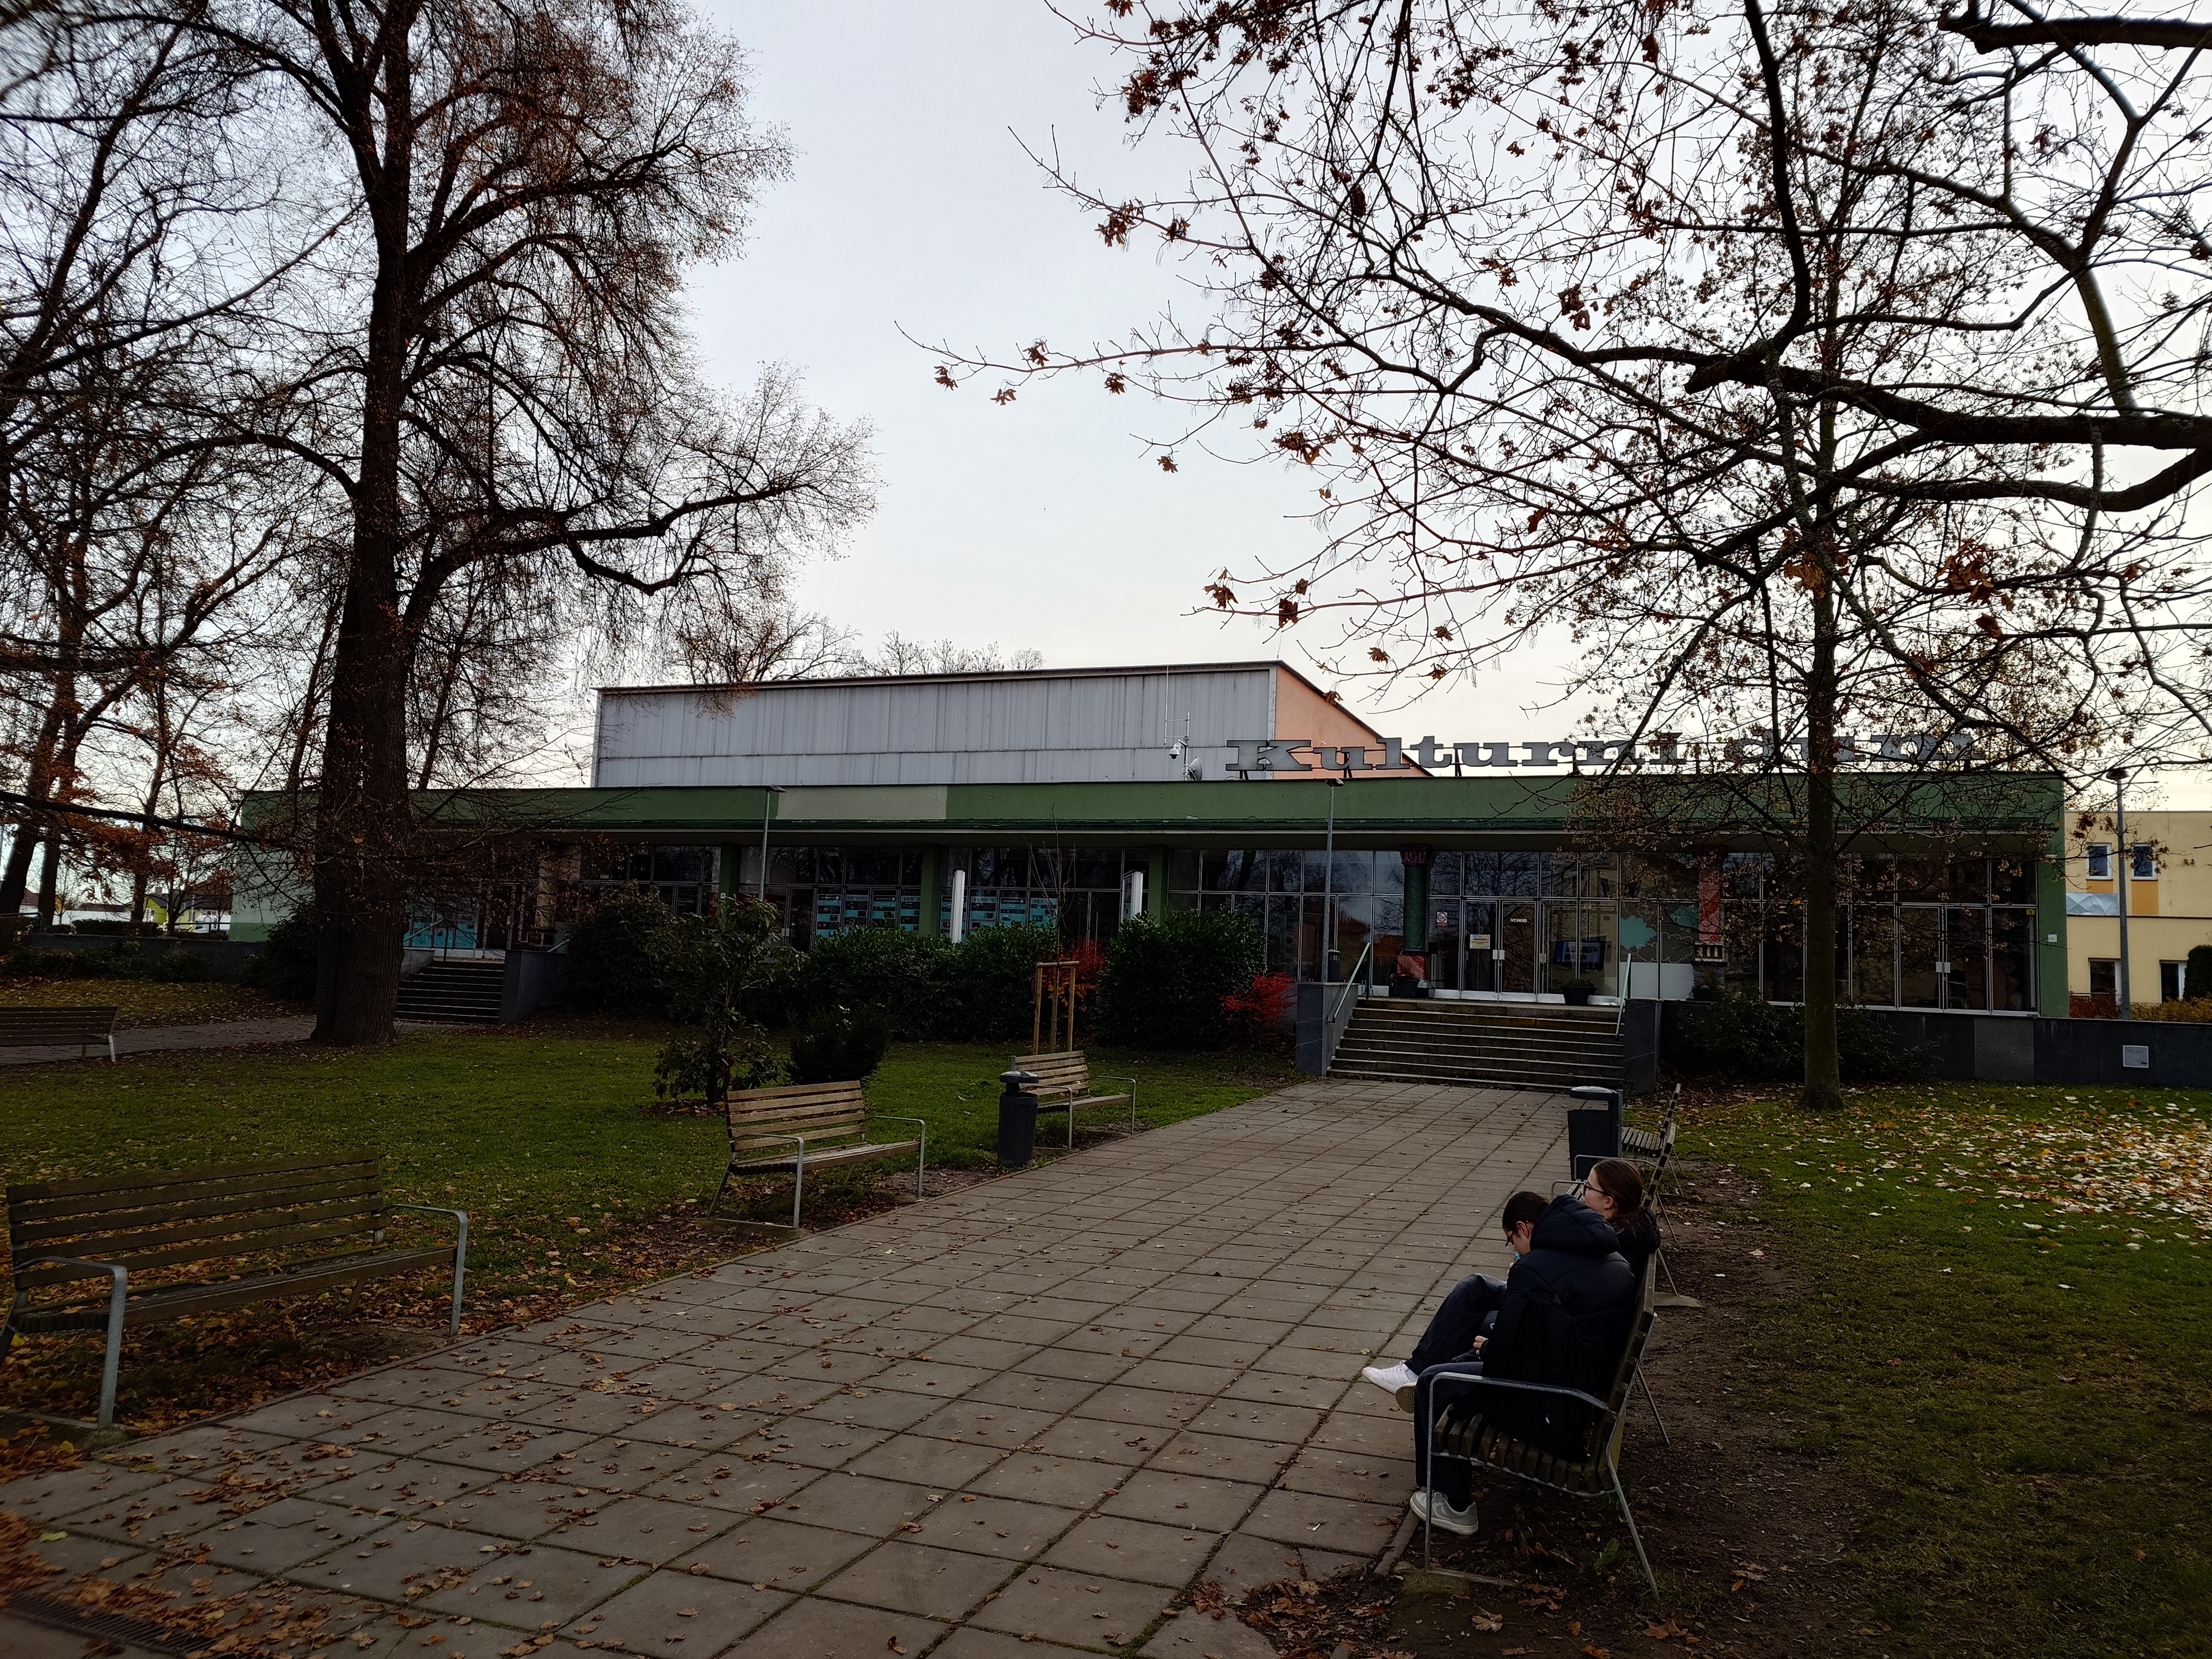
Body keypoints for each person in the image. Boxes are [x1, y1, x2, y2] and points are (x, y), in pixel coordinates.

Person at [1385, 1187, 1637, 1535]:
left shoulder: (1534, 1268)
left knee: (1435, 1383)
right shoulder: (1611, 1253)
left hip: (1558, 1409)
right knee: (1463, 1362)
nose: (1515, 1250)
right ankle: (1439, 1399)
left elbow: (1509, 1363)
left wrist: (1490, 1349)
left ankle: (1454, 1504)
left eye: (1512, 1241)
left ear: (1524, 1229)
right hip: (1587, 1390)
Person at [1582, 1157, 1661, 1284]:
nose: (1582, 1191)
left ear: (1608, 1202)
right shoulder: (1631, 1232)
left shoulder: (1608, 1247)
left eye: (1589, 1188)